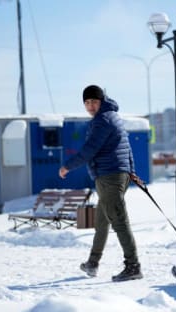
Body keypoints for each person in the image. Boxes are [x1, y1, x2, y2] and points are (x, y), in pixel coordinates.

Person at [59, 85, 143, 282]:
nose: (90, 106)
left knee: (119, 221)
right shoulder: (112, 116)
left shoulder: (103, 120)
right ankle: (93, 263)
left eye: (93, 101)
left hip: (110, 175)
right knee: (102, 221)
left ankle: (133, 266)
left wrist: (67, 167)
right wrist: (130, 171)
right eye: (87, 102)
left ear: (101, 101)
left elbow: (89, 150)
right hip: (113, 174)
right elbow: (126, 146)